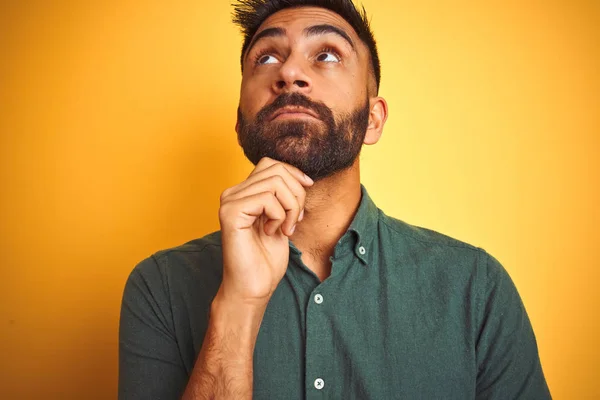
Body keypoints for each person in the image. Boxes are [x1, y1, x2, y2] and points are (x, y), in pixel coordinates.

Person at [118, 0, 552, 399]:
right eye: (266, 57)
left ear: (373, 120)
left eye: (326, 55)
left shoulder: (475, 287)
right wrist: (238, 305)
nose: (288, 73)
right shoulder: (161, 287)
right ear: (239, 124)